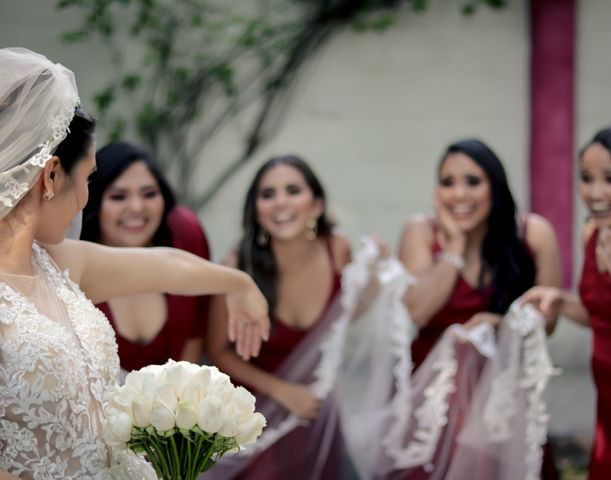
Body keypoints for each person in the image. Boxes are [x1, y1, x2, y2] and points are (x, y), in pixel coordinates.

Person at [0, 47, 268, 479]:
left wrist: (238, 283)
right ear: (50, 177)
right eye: (87, 180)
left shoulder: (57, 262)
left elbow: (166, 265)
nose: (86, 199)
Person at [395, 138, 562, 479]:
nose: (459, 194)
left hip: (502, 397)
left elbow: (549, 322)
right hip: (434, 400)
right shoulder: (421, 231)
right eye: (447, 183)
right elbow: (416, 312)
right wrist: (454, 249)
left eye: (473, 181)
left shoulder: (533, 233)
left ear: (495, 186)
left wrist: (500, 325)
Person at [206, 155, 352, 479]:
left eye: (292, 190)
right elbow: (217, 352)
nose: (280, 202)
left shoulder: (338, 250)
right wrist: (284, 392)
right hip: (255, 418)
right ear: (256, 210)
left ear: (316, 205)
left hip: (317, 412)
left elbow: (352, 312)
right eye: (267, 194)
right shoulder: (235, 266)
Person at [523, 126, 611, 479]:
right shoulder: (594, 233)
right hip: (610, 404)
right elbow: (602, 316)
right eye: (586, 178)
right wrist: (561, 302)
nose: (595, 193)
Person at [81, 141, 211, 371]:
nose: (137, 207)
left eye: (149, 194)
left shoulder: (184, 234)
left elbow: (196, 328)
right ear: (94, 201)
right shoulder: (74, 267)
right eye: (118, 196)